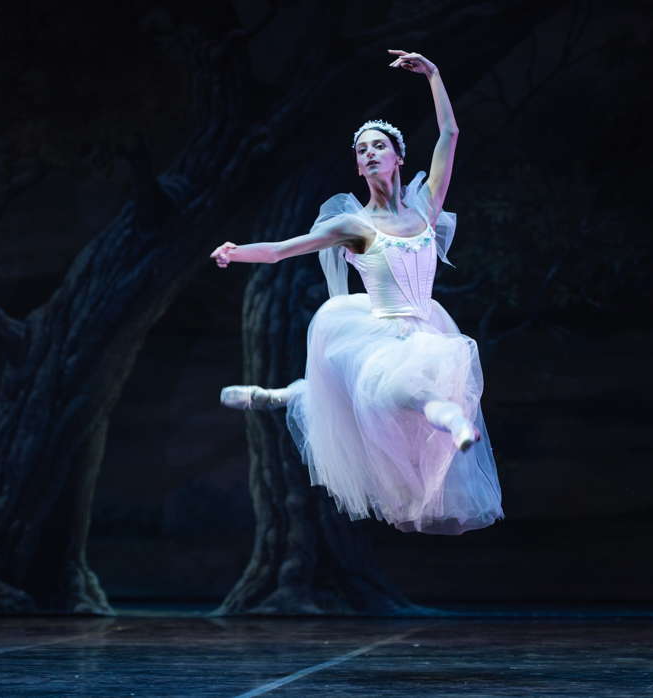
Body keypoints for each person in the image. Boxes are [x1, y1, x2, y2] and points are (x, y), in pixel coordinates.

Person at [209, 50, 503, 535]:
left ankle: (277, 395)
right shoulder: (355, 225)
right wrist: (237, 252)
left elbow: (450, 135)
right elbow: (283, 250)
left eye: (378, 146)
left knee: (400, 389)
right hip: (378, 334)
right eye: (361, 150)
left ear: (398, 158)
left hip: (426, 325)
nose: (368, 153)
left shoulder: (426, 208)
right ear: (359, 168)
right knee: (397, 390)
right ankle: (451, 422)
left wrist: (434, 74)